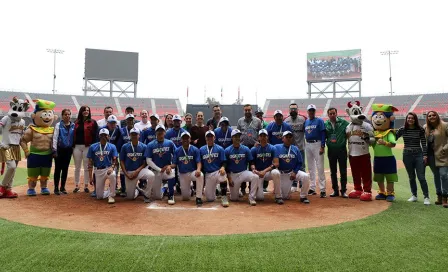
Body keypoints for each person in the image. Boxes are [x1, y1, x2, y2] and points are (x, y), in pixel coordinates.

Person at [396, 112, 430, 205]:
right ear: (406, 119)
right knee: (411, 177)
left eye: (412, 118)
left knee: (421, 177)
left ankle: (426, 197)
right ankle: (414, 195)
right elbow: (394, 138)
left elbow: (423, 143)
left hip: (418, 154)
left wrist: (425, 155)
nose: (410, 119)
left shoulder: (420, 129)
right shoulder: (402, 129)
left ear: (415, 119)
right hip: (407, 155)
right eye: (408, 118)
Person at [119, 128, 155, 202]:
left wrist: (137, 170)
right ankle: (137, 190)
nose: (134, 136)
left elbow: (145, 162)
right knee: (130, 198)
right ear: (130, 135)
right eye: (132, 134)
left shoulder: (144, 146)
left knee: (151, 175)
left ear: (139, 135)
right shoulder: (125, 146)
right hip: (129, 172)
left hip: (140, 170)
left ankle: (147, 195)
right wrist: (126, 174)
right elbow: (121, 161)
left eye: (136, 134)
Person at [275, 131, 310, 203]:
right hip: (281, 174)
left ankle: (303, 196)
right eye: (286, 137)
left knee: (305, 176)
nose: (288, 138)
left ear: (292, 139)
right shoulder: (276, 147)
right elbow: (267, 147)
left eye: (290, 137)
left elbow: (300, 162)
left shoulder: (295, 149)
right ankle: (280, 194)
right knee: (285, 197)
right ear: (282, 138)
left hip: (291, 172)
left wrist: (295, 172)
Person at [225, 129, 259, 205]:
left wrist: (253, 169)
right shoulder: (227, 150)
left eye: (238, 136)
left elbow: (251, 161)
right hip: (233, 174)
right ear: (232, 138)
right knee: (234, 199)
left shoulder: (246, 149)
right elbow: (226, 165)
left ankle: (252, 198)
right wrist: (229, 178)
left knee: (255, 177)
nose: (237, 138)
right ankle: (236, 192)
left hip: (243, 172)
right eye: (235, 136)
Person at [145, 124, 176, 204]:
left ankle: (171, 194)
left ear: (164, 132)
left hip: (167, 169)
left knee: (172, 173)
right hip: (156, 171)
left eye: (162, 131)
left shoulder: (170, 143)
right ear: (155, 132)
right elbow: (148, 160)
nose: (160, 132)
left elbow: (176, 156)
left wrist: (170, 165)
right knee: (157, 197)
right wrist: (159, 169)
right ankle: (164, 188)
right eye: (158, 131)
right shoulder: (150, 144)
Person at [171, 131, 204, 206]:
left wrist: (198, 169)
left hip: (192, 172)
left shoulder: (195, 149)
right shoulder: (177, 150)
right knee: (185, 198)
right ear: (181, 140)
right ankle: (191, 189)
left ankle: (198, 197)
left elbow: (198, 162)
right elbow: (174, 164)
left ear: (190, 139)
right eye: (183, 138)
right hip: (182, 174)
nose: (185, 140)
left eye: (187, 138)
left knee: (200, 175)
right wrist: (169, 166)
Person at [250, 129, 283, 204]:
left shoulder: (272, 148)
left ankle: (278, 196)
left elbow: (276, 163)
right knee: (260, 198)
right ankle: (258, 192)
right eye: (261, 136)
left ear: (267, 137)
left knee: (276, 173)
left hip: (268, 172)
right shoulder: (254, 149)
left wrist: (264, 171)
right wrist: (254, 170)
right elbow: (252, 163)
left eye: (264, 136)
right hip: (258, 173)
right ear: (258, 137)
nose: (263, 137)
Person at [87, 128, 118, 204]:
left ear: (109, 136)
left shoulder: (112, 146)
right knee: (99, 197)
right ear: (99, 136)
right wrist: (90, 177)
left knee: (113, 175)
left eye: (105, 135)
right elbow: (90, 163)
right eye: (102, 135)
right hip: (98, 170)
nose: (103, 137)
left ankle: (111, 196)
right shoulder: (92, 147)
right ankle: (108, 191)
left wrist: (112, 167)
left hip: (108, 168)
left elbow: (115, 160)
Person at [237, 104, 262, 196]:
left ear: (252, 110)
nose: (247, 112)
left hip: (254, 147)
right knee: (243, 167)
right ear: (244, 111)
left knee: (253, 167)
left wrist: (258, 142)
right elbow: (238, 134)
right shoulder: (240, 121)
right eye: (246, 110)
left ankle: (252, 188)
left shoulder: (258, 121)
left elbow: (261, 133)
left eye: (249, 110)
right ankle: (242, 188)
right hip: (243, 147)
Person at [425, 111, 448, 207]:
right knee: (436, 176)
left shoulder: (445, 125)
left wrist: (445, 148)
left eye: (434, 115)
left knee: (443, 175)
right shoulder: (426, 128)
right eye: (429, 116)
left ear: (437, 116)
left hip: (443, 155)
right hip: (431, 156)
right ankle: (439, 196)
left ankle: (445, 197)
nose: (432, 117)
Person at [324, 107, 349, 197]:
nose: (332, 115)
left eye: (333, 113)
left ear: (336, 113)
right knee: (333, 171)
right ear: (328, 115)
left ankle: (343, 191)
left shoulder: (344, 122)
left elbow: (349, 132)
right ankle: (335, 190)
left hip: (342, 150)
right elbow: (324, 136)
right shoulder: (325, 124)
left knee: (343, 171)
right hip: (331, 151)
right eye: (330, 114)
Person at [73, 105, 98, 193]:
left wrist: (94, 146)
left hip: (88, 146)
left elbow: (95, 135)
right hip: (77, 146)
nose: (86, 111)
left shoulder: (93, 122)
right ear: (81, 111)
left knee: (87, 167)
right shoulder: (76, 122)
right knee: (77, 167)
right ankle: (77, 185)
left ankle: (86, 185)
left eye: (87, 110)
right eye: (84, 110)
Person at [200, 131, 229, 207]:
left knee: (223, 174)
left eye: (211, 136)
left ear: (214, 138)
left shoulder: (220, 148)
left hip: (217, 171)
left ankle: (224, 196)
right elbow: (201, 164)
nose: (209, 138)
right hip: (208, 174)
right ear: (205, 138)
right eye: (208, 137)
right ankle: (217, 189)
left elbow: (224, 161)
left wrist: (223, 167)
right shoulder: (202, 149)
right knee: (210, 199)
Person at [304, 104, 326, 197]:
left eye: (313, 110)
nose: (311, 112)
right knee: (311, 167)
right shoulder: (306, 122)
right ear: (307, 112)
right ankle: (312, 188)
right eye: (310, 110)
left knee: (320, 167)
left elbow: (323, 133)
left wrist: (322, 146)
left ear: (315, 111)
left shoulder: (319, 121)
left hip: (317, 144)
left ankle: (323, 189)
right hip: (308, 144)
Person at [284, 103, 307, 192]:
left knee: (302, 165)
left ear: (297, 110)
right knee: (292, 165)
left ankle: (302, 184)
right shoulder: (286, 120)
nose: (293, 110)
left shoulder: (303, 119)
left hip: (300, 147)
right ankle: (293, 184)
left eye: (295, 109)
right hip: (291, 148)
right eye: (291, 109)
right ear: (289, 110)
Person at [52, 109, 74, 195]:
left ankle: (62, 187)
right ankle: (56, 188)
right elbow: (55, 137)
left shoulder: (73, 125)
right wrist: (54, 150)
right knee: (58, 169)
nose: (67, 116)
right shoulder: (58, 125)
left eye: (69, 114)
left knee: (65, 169)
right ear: (62, 116)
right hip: (59, 149)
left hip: (68, 150)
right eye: (65, 114)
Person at [116, 114, 136, 197]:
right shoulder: (122, 131)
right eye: (128, 120)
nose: (130, 121)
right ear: (126, 121)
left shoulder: (137, 130)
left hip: (135, 153)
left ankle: (140, 186)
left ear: (133, 121)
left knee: (137, 169)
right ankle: (123, 188)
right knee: (123, 171)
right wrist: (120, 153)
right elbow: (119, 143)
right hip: (125, 154)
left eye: (131, 120)